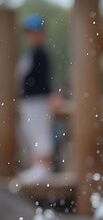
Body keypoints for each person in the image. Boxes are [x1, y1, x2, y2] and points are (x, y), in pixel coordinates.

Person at [15, 14, 60, 183]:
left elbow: (44, 79)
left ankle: (43, 168)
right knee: (32, 132)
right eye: (29, 32)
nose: (32, 35)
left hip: (39, 100)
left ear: (42, 33)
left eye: (35, 32)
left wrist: (51, 96)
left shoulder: (42, 54)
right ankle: (38, 167)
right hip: (29, 100)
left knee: (41, 133)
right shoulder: (31, 53)